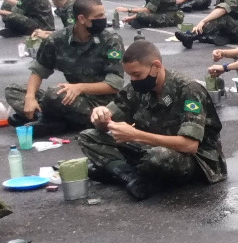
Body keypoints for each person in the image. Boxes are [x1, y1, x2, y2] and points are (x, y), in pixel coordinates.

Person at [79, 40, 226, 200]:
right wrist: (100, 115)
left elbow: (190, 145)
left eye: (137, 74)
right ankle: (130, 177)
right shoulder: (137, 89)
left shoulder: (189, 90)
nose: (133, 80)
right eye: (130, 75)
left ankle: (117, 171)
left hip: (196, 158)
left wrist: (135, 135)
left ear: (156, 66)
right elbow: (109, 120)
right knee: (88, 136)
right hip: (150, 146)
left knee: (158, 157)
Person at [4, 0, 124, 136]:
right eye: (99, 16)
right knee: (13, 90)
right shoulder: (58, 40)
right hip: (70, 97)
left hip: (99, 103)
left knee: (55, 95)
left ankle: (49, 120)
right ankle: (49, 119)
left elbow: (115, 85)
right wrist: (30, 98)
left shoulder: (110, 41)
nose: (103, 19)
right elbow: (39, 70)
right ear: (82, 19)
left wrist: (79, 88)